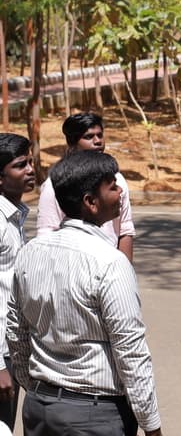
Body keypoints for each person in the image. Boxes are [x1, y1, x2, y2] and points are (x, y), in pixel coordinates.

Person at [7, 150, 162, 436]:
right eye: (113, 187)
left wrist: (36, 389)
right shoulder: (110, 263)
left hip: (41, 408)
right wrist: (151, 426)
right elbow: (130, 351)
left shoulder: (30, 253)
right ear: (91, 202)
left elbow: (17, 334)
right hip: (95, 416)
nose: (120, 193)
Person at [36, 112, 137, 261]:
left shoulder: (118, 181)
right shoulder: (55, 184)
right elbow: (47, 234)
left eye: (100, 135)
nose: (97, 142)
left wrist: (125, 271)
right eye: (89, 137)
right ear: (72, 143)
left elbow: (125, 229)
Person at [0, 134, 35, 432]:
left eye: (31, 162)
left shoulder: (14, 216)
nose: (31, 170)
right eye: (20, 165)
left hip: (13, 346)